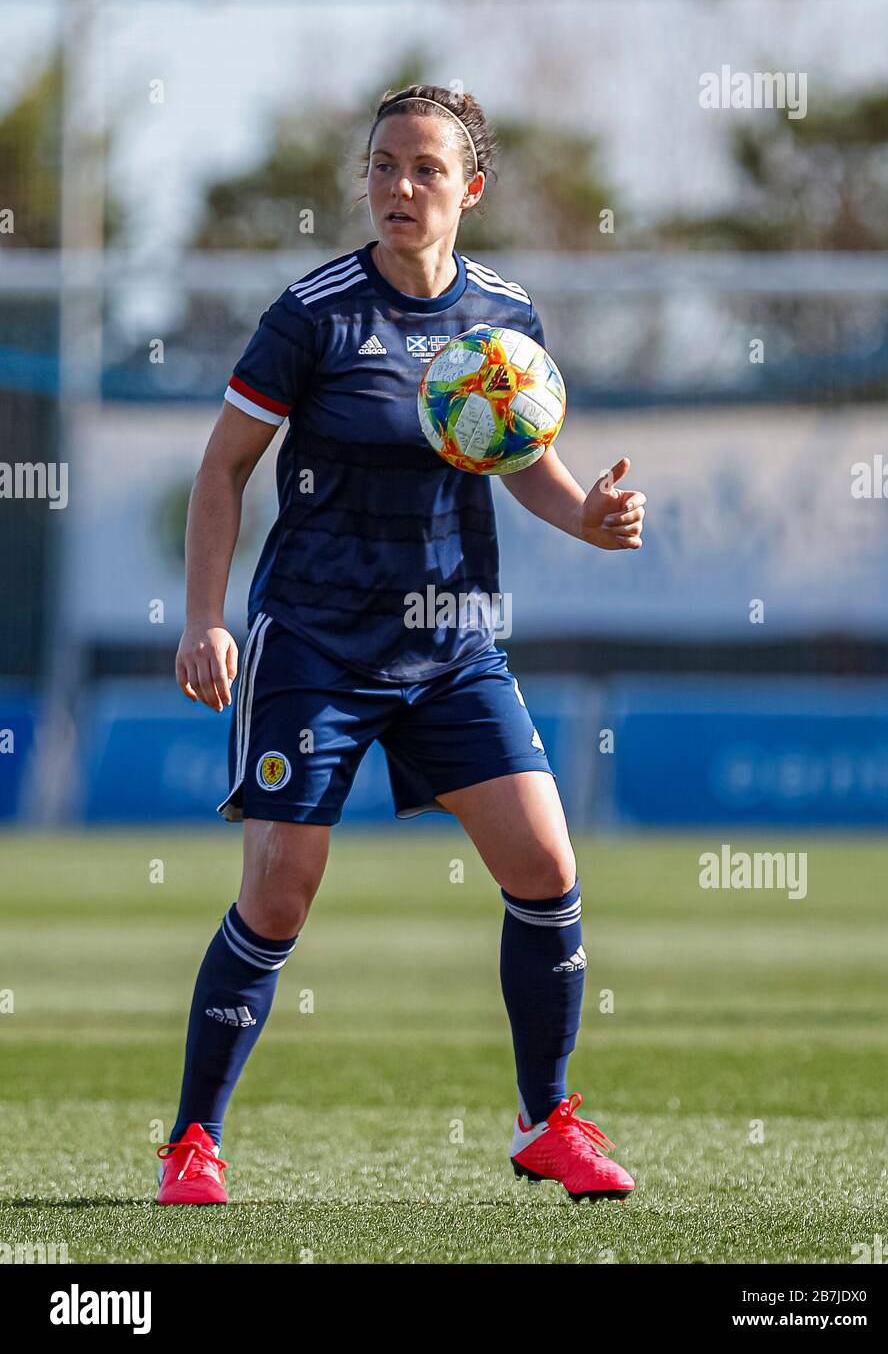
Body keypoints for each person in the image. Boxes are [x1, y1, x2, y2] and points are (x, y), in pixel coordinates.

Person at [157, 85, 646, 1206]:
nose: (398, 189)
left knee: (545, 866)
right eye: (382, 166)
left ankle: (547, 1119)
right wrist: (202, 617)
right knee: (279, 894)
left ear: (469, 188)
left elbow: (518, 453)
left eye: (424, 169)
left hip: (454, 643)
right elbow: (223, 467)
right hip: (316, 643)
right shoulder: (314, 312)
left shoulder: (504, 317)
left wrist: (583, 516)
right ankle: (193, 1139)